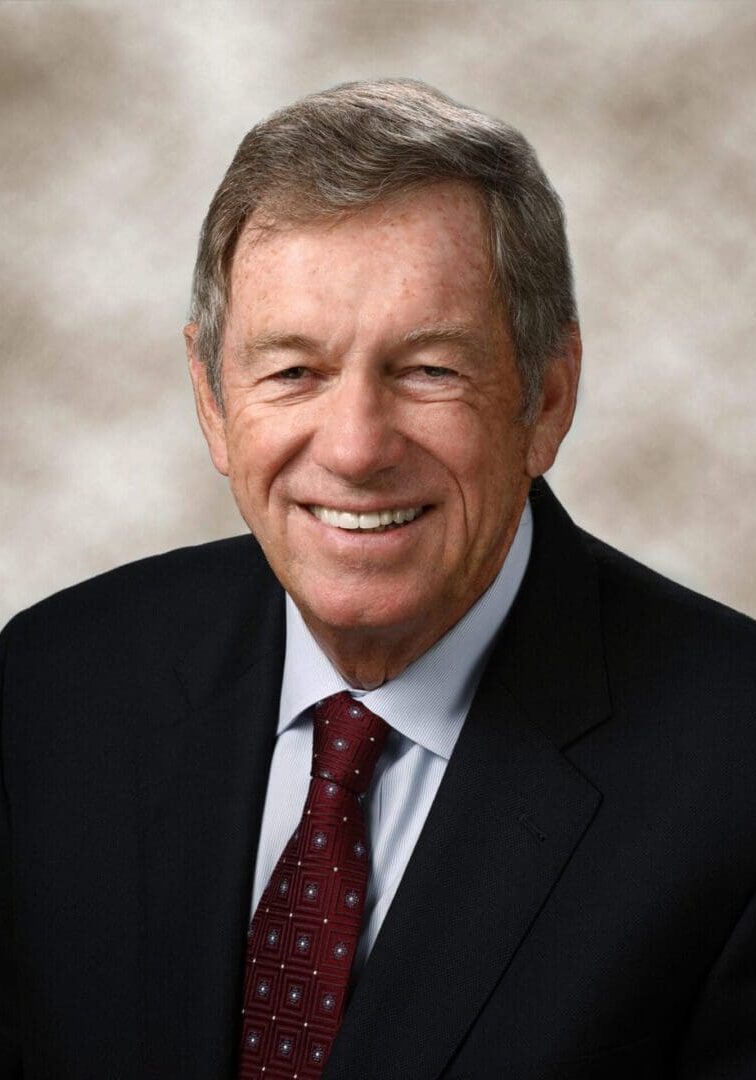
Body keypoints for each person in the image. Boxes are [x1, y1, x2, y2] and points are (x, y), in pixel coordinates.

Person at [1, 79, 754, 1080]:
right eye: (294, 373)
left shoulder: (735, 773)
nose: (355, 450)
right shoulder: (51, 689)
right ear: (213, 401)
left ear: (548, 398)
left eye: (428, 370)